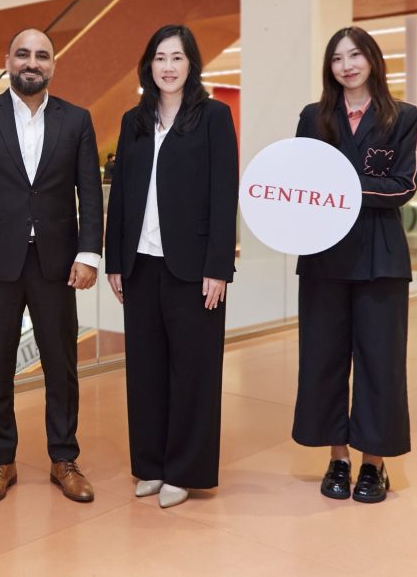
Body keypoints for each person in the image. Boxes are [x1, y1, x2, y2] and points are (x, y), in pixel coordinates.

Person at [0, 28, 104, 505]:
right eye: (22, 54)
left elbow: (89, 194)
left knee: (62, 367)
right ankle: (2, 461)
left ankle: (64, 459)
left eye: (41, 55)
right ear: (8, 61)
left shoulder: (76, 120)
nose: (31, 62)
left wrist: (89, 253)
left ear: (53, 65)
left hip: (57, 263)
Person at [104, 25, 238, 508]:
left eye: (177, 57)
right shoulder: (134, 121)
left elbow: (224, 193)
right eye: (160, 57)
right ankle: (152, 465)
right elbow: (121, 194)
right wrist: (114, 259)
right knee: (145, 369)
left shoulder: (214, 116)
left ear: (191, 64)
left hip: (194, 267)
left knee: (193, 371)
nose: (168, 66)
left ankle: (185, 470)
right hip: (140, 263)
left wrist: (219, 266)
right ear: (149, 65)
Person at [293, 25, 417, 504]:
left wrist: (339, 187)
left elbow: (403, 185)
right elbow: (299, 182)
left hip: (380, 258)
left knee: (380, 362)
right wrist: (358, 186)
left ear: (372, 59)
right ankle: (338, 458)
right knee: (323, 359)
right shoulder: (313, 116)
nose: (346, 65)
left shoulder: (403, 116)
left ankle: (374, 464)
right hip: (322, 255)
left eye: (355, 55)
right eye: (336, 58)